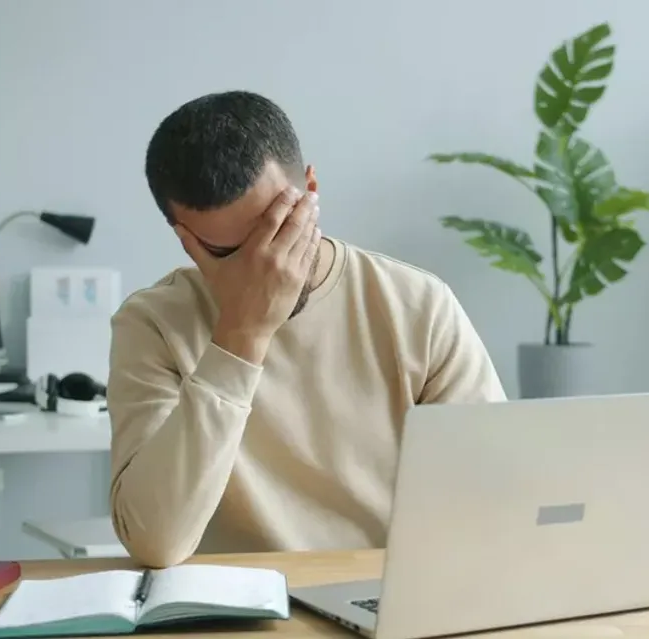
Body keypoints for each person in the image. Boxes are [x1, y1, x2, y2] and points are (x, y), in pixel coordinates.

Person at [107, 90, 506, 568]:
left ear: (310, 190)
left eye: (279, 230)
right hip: (237, 602)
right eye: (229, 253)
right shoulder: (152, 325)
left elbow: (496, 501)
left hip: (383, 592)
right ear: (185, 238)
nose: (267, 266)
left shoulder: (417, 305)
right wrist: (241, 334)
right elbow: (157, 542)